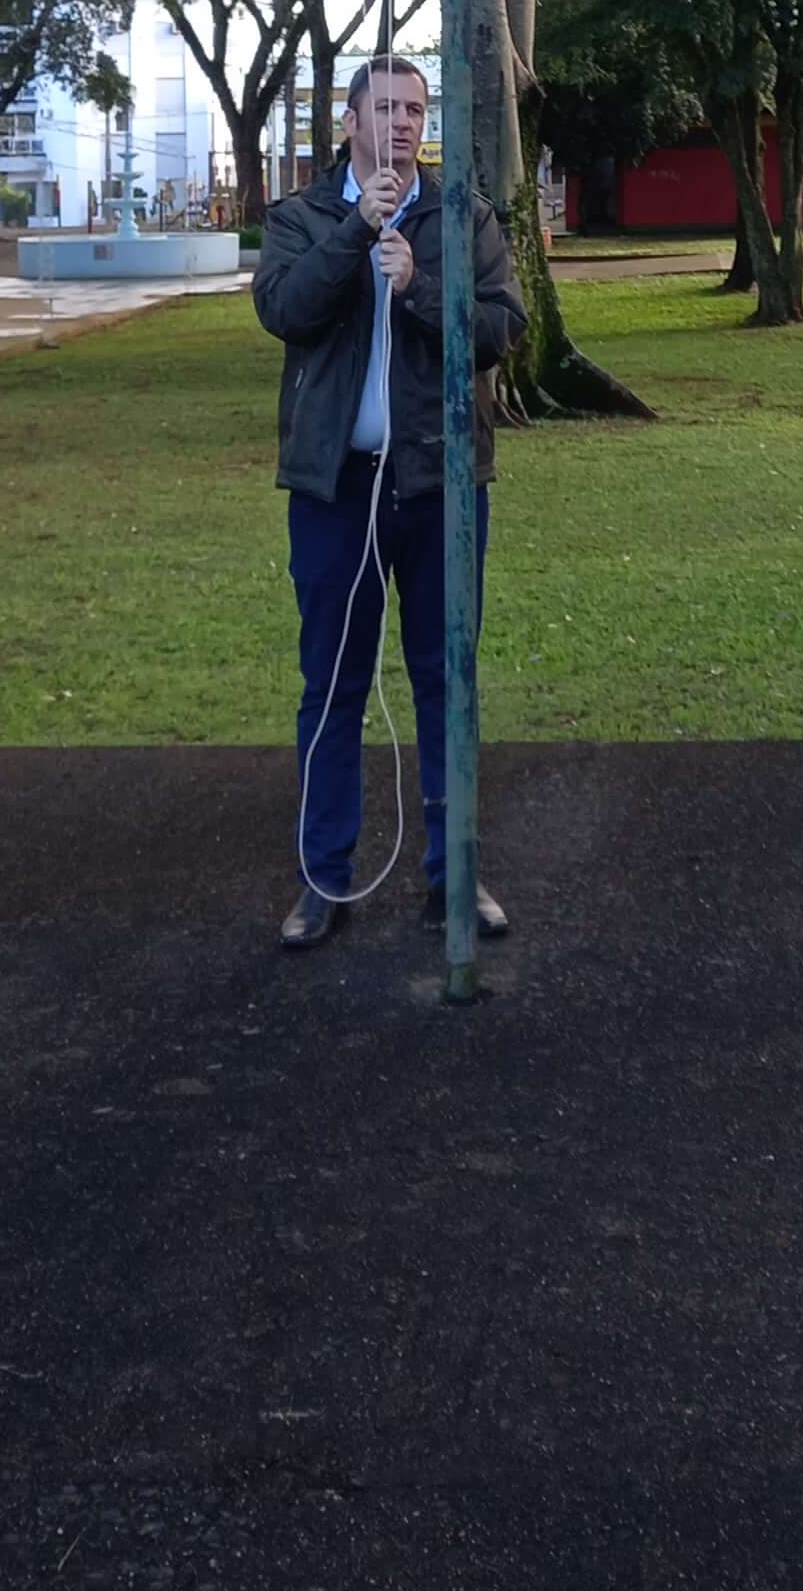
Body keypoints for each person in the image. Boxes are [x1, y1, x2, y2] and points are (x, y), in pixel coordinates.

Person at [252, 55, 528, 951]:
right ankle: (324, 879)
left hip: (440, 487)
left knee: (447, 683)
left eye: (415, 108)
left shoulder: (464, 217)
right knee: (332, 687)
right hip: (338, 490)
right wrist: (352, 239)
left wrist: (417, 287)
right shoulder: (301, 217)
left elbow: (501, 331)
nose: (403, 123)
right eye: (385, 108)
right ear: (350, 121)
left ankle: (455, 876)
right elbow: (284, 310)